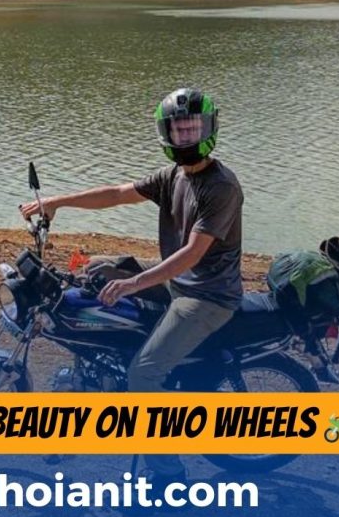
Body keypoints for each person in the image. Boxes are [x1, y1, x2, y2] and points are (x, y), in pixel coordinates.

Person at [18, 87, 243, 484]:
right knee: (97, 271)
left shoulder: (220, 186)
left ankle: (168, 474)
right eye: (179, 130)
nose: (186, 137)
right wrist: (57, 201)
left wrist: (135, 283)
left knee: (143, 375)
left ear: (209, 129)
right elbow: (118, 193)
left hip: (207, 295)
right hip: (177, 282)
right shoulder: (173, 175)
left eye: (193, 128)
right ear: (167, 133)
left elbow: (192, 254)